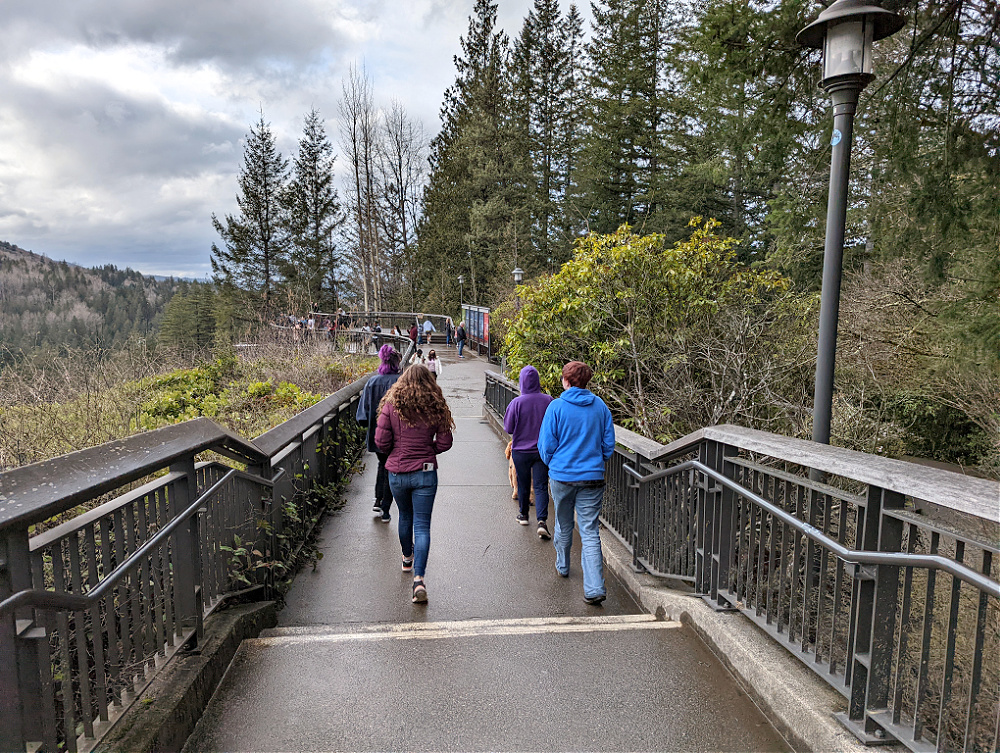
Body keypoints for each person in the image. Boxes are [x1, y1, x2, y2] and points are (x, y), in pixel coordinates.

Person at [537, 361, 616, 605]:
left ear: (566, 381)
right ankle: (594, 589)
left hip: (562, 476)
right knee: (590, 531)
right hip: (593, 476)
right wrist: (594, 460)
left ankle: (562, 565)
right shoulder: (601, 407)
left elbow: (546, 445)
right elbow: (608, 445)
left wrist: (555, 464)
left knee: (563, 522)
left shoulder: (556, 407)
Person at [375, 365, 455, 603]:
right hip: (425, 473)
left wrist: (397, 454)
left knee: (404, 516)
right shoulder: (435, 405)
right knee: (422, 526)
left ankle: (407, 558)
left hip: (398, 474)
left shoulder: (391, 405)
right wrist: (426, 451)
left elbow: (381, 441)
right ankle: (419, 579)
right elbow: (445, 441)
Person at [503, 365, 554, 539]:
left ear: (522, 382)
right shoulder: (548, 400)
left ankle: (523, 515)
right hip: (541, 451)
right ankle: (542, 521)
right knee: (540, 486)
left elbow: (508, 427)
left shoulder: (516, 403)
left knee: (523, 482)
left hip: (521, 451)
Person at [356, 345, 403, 523]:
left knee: (383, 464)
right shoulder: (401, 382)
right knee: (390, 468)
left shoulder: (372, 382)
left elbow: (362, 415)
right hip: (396, 435)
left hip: (376, 434)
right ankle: (385, 506)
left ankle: (379, 499)